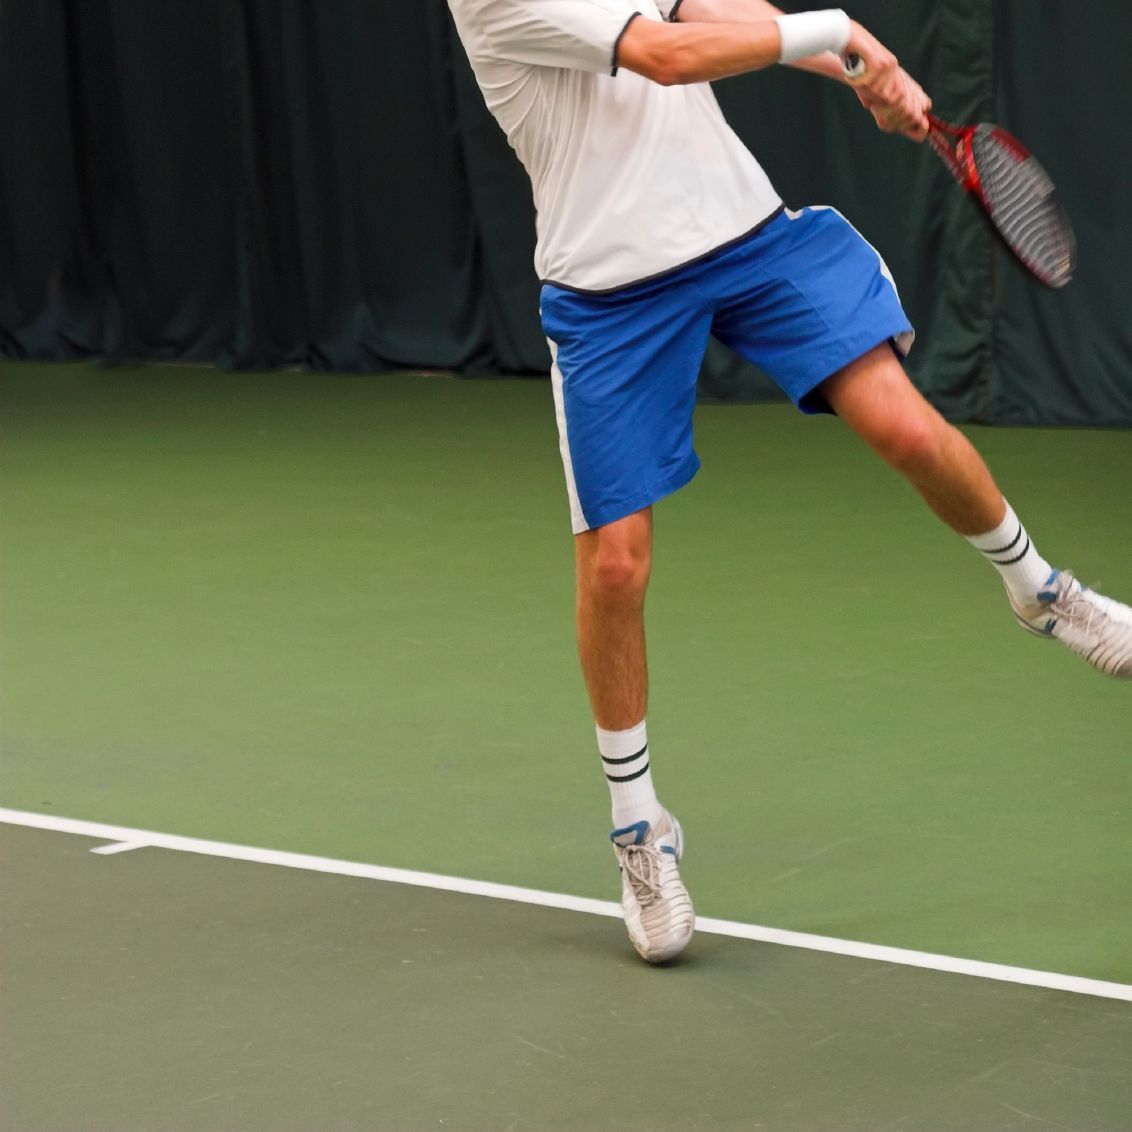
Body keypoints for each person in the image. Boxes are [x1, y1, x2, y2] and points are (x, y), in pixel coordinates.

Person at [445, 0, 1132, 964]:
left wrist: (866, 63)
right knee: (615, 565)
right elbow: (668, 54)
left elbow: (708, 10)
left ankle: (1043, 593)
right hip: (608, 295)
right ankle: (640, 827)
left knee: (905, 426)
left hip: (748, 240)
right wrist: (836, 30)